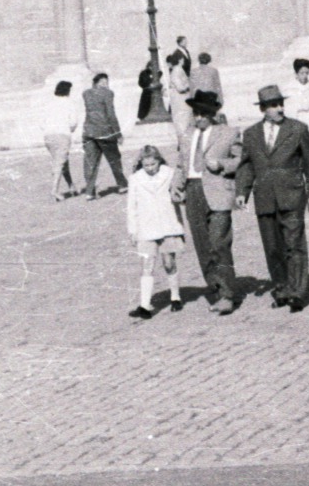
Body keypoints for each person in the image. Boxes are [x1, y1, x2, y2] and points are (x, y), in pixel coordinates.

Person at [235, 86, 309, 311]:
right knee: (272, 247)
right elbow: (246, 166)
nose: (280, 108)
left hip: (292, 195)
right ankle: (282, 289)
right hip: (265, 198)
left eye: (281, 103)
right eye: (274, 105)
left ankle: (297, 292)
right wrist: (241, 192)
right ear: (263, 109)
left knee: (294, 245)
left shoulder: (298, 129)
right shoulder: (251, 134)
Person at [172, 90, 242, 315]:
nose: (199, 117)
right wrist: (176, 186)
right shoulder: (186, 135)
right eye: (196, 113)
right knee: (202, 245)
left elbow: (241, 160)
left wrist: (221, 164)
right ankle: (216, 287)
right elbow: (181, 164)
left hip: (217, 191)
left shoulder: (228, 133)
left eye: (203, 113)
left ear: (212, 113)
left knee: (219, 243)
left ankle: (228, 294)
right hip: (193, 191)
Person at [125, 145, 186, 319]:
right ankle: (145, 305)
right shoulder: (135, 179)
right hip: (146, 227)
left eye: (153, 164)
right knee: (147, 265)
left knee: (169, 262)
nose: (150, 168)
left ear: (159, 161)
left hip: (168, 224)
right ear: (141, 164)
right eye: (146, 166)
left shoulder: (170, 173)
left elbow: (179, 194)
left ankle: (175, 297)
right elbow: (132, 206)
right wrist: (132, 229)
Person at [81, 73, 128, 200]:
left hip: (89, 131)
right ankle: (122, 184)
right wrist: (118, 133)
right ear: (100, 83)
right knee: (114, 158)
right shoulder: (108, 93)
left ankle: (89, 192)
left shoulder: (85, 93)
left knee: (90, 162)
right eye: (105, 82)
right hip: (105, 131)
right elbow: (111, 114)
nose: (106, 85)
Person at [43, 79, 83, 201]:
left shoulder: (49, 103)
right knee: (60, 163)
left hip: (48, 136)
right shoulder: (70, 103)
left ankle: (72, 186)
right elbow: (73, 123)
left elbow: (42, 122)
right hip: (62, 135)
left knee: (62, 161)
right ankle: (54, 191)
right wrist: (69, 129)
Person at [165, 51, 195, 140]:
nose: (183, 60)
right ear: (179, 60)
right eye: (182, 59)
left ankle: (184, 139)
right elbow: (180, 87)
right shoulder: (178, 70)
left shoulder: (176, 70)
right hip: (181, 99)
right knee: (183, 120)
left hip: (180, 99)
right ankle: (184, 140)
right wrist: (189, 85)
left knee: (182, 119)